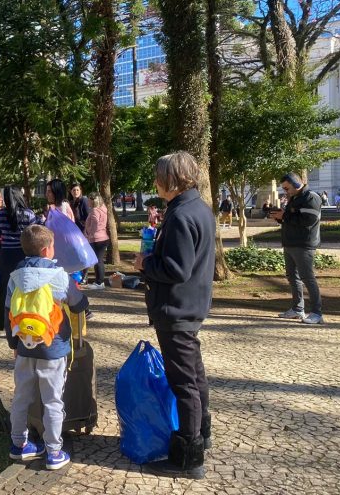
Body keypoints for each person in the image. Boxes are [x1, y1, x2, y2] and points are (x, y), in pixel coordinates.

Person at [135, 151, 214, 479]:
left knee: (184, 383)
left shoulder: (182, 215)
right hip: (189, 306)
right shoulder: (197, 207)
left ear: (171, 179)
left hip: (177, 308)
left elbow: (177, 268)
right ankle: (203, 434)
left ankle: (189, 456)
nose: (155, 182)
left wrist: (145, 264)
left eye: (158, 176)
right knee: (195, 376)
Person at [6, 224, 88, 471]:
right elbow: (77, 304)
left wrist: (14, 344)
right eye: (52, 246)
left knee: (21, 396)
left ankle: (19, 445)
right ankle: (54, 451)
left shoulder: (15, 276)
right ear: (45, 250)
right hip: (53, 348)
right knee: (53, 400)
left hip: (24, 345)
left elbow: (8, 311)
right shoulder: (59, 276)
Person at [0, 186, 41, 331]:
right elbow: (35, 236)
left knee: (5, 287)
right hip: (25, 254)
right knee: (25, 287)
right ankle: (23, 319)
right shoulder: (29, 214)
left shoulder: (0, 215)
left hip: (6, 254)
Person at [272, 173, 324, 324]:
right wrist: (280, 217)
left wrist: (285, 217)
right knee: (292, 277)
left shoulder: (311, 197)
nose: (285, 191)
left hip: (304, 244)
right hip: (290, 242)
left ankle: (316, 313)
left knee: (308, 278)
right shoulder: (294, 197)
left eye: (287, 188)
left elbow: (309, 220)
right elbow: (292, 218)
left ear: (295, 183)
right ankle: (297, 309)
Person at [83, 192, 109, 290]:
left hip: (96, 239)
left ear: (93, 201)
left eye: (89, 200)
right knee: (99, 260)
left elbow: (95, 224)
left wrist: (89, 233)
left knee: (97, 261)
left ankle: (99, 282)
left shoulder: (94, 211)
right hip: (103, 238)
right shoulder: (103, 209)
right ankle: (99, 281)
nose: (87, 202)